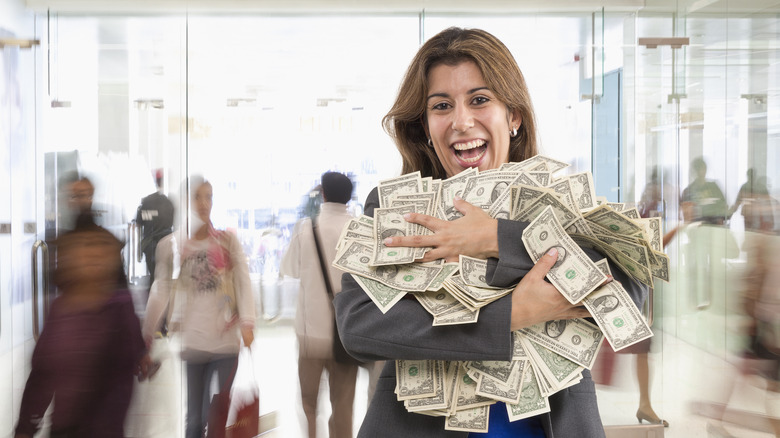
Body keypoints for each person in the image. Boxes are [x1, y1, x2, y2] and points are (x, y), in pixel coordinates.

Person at [333, 27, 648, 437]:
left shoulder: (561, 203)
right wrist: (512, 315)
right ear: (426, 126)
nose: (462, 121)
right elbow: (360, 326)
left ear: (512, 116)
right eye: (442, 106)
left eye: (480, 100)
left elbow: (627, 290)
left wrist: (496, 238)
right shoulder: (399, 209)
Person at [15, 221, 153, 438]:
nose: (94, 254)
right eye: (86, 246)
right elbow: (41, 377)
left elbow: (134, 345)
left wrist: (142, 355)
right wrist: (25, 428)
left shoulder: (121, 308)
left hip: (107, 430)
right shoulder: (61, 310)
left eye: (102, 247)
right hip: (65, 430)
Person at [142, 175, 256, 438]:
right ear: (185, 202)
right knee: (194, 420)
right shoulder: (172, 246)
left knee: (217, 416)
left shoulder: (227, 242)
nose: (204, 204)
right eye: (197, 197)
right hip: (193, 344)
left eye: (209, 197)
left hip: (226, 343)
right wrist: (146, 338)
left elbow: (243, 282)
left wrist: (247, 322)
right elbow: (161, 290)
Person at [280, 171, 361, 438]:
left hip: (310, 335)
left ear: (323, 194)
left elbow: (290, 269)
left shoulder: (306, 229)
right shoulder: (359, 230)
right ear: (349, 197)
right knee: (343, 408)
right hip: (346, 337)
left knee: (309, 404)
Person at [136, 169, 175, 280]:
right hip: (166, 245)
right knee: (166, 278)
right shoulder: (169, 203)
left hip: (150, 246)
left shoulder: (146, 202)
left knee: (154, 278)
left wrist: (138, 249)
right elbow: (172, 224)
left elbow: (138, 224)